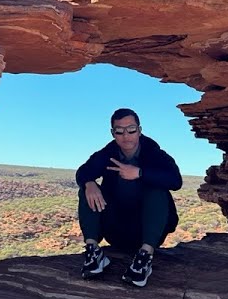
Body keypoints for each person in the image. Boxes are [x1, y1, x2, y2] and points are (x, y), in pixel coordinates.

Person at [75, 108, 183, 287]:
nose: (126, 136)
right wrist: (89, 183)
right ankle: (94, 252)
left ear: (139, 130)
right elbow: (83, 171)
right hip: (116, 228)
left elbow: (175, 181)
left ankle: (144, 258)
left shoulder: (155, 154)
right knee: (87, 189)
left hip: (145, 231)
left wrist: (140, 173)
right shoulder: (107, 154)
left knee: (157, 190)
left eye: (131, 130)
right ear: (113, 133)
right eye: (120, 131)